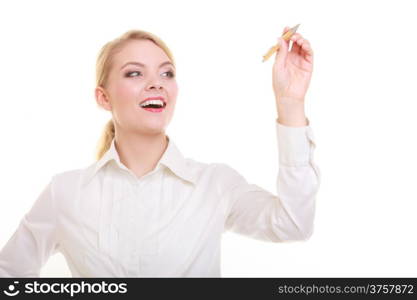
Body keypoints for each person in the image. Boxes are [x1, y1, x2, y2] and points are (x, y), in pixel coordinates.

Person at [0, 27, 320, 277]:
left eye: (166, 73)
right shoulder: (65, 193)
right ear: (103, 98)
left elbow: (293, 223)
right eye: (134, 73)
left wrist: (290, 103)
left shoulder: (215, 185)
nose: (157, 83)